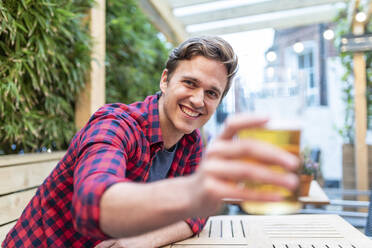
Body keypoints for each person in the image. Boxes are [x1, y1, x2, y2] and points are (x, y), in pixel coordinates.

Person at [2, 36, 299, 248]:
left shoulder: (191, 141)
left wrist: (140, 241)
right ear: (165, 80)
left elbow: (195, 215)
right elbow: (93, 202)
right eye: (190, 83)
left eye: (211, 93)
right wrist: (194, 190)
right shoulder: (116, 124)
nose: (198, 100)